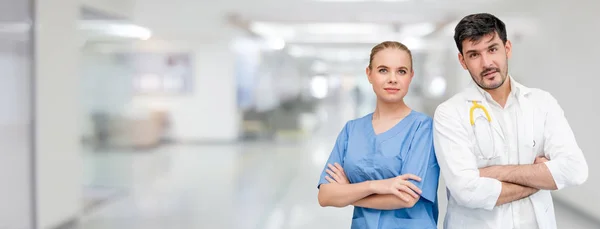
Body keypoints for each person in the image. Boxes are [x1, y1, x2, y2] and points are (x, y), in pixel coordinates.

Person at [432, 13, 589, 229]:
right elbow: (466, 191)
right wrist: (539, 180)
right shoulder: (449, 113)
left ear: (507, 49)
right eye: (474, 54)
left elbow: (575, 170)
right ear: (462, 61)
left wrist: (496, 172)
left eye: (492, 49)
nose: (486, 63)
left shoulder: (542, 103)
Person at [317, 41, 440, 229]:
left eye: (401, 71)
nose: (393, 79)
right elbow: (325, 196)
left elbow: (407, 198)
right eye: (383, 70)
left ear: (411, 76)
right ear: (369, 74)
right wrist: (374, 186)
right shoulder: (352, 130)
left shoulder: (422, 128)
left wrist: (349, 193)